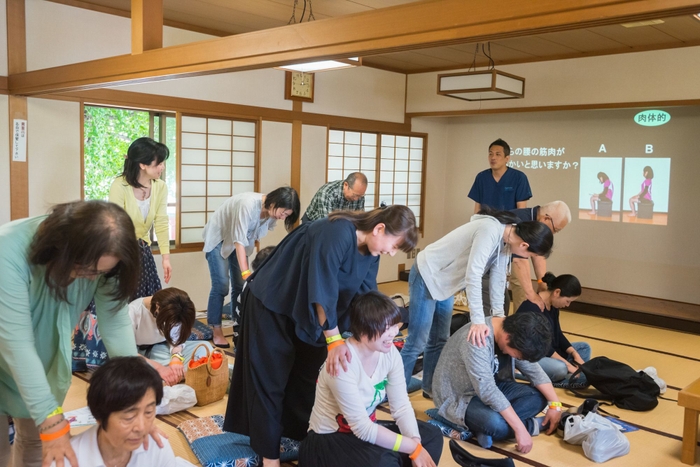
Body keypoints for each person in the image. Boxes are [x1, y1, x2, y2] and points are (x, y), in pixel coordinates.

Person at [224, 205, 418, 467]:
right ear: (380, 228)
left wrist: (382, 328)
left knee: (307, 376)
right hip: (272, 303)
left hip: (308, 313)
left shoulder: (372, 252)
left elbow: (366, 298)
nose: (392, 252)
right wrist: (334, 339)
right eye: (394, 245)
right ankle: (269, 457)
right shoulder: (337, 232)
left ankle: (301, 438)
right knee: (270, 382)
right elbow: (322, 285)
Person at [0, 200, 155, 467]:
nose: (92, 278)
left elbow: (115, 322)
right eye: (85, 269)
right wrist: (52, 421)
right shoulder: (8, 254)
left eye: (100, 272)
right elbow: (16, 344)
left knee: (40, 440)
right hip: (15, 348)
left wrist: (136, 395)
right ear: (63, 249)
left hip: (36, 359)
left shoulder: (108, 258)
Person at [401, 208, 554, 398]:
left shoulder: (506, 242)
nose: (527, 258)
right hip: (428, 274)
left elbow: (498, 281)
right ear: (524, 245)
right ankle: (395, 392)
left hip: (447, 283)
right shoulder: (490, 230)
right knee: (417, 341)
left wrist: (500, 316)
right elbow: (473, 275)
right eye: (530, 255)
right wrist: (478, 320)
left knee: (440, 338)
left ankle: (430, 388)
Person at [299, 291, 442, 467]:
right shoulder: (342, 363)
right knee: (384, 461)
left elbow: (402, 407)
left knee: (431, 437)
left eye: (395, 325)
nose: (394, 332)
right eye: (386, 327)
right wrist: (412, 448)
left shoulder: (390, 354)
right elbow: (362, 429)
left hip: (363, 431)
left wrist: (416, 444)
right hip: (327, 440)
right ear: (364, 331)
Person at [432, 312, 562, 453]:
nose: (517, 358)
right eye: (517, 355)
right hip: (460, 398)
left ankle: (482, 429)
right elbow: (487, 390)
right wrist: (520, 429)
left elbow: (533, 369)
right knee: (493, 423)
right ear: (507, 337)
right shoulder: (477, 339)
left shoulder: (514, 332)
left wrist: (555, 405)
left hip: (495, 387)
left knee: (540, 397)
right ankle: (532, 425)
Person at [202, 187, 300, 348]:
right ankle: (216, 329)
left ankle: (237, 325)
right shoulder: (246, 204)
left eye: (287, 216)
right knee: (221, 285)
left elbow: (251, 237)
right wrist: (246, 271)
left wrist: (247, 271)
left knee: (240, 286)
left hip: (240, 243)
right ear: (276, 202)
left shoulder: (272, 213)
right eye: (284, 213)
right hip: (219, 238)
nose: (282, 218)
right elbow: (238, 239)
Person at [51, 357, 178, 467]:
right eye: (129, 416)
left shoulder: (157, 446)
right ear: (99, 416)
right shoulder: (68, 460)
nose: (141, 427)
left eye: (149, 412)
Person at [481, 201, 571, 314]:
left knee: (502, 306)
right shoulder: (520, 220)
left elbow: (538, 253)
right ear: (546, 219)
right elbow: (520, 260)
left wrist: (541, 283)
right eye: (556, 230)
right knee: (490, 314)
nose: (553, 233)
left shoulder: (535, 222)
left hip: (495, 270)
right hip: (483, 271)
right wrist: (531, 294)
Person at [109, 137, 172, 295]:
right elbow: (114, 225)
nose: (162, 167)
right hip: (120, 252)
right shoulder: (120, 185)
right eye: (159, 163)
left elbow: (162, 222)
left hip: (144, 252)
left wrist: (166, 258)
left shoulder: (160, 187)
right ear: (143, 165)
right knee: (121, 302)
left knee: (147, 303)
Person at [129, 287, 214, 387]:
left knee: (205, 346)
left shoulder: (177, 310)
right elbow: (126, 352)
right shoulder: (133, 311)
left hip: (164, 349)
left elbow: (177, 340)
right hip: (141, 355)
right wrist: (159, 368)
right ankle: (184, 374)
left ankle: (171, 377)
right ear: (157, 307)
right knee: (132, 369)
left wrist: (176, 358)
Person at [516, 273, 591, 383]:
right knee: (560, 368)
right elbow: (541, 345)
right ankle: (520, 373)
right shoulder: (532, 307)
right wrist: (568, 365)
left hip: (549, 352)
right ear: (557, 292)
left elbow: (558, 335)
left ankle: (570, 376)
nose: (567, 305)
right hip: (530, 355)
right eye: (567, 301)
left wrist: (575, 354)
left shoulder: (553, 306)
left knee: (584, 348)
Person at [468, 139, 532, 213]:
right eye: (490, 154)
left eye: (498, 154)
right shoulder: (481, 177)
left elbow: (521, 210)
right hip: (486, 223)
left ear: (507, 158)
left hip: (509, 223)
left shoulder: (519, 177)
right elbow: (477, 209)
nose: (493, 158)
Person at [302, 172, 368, 222]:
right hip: (314, 222)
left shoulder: (359, 195)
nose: (356, 199)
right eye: (355, 195)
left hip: (340, 223)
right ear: (346, 185)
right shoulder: (327, 193)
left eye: (360, 196)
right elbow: (327, 222)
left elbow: (359, 218)